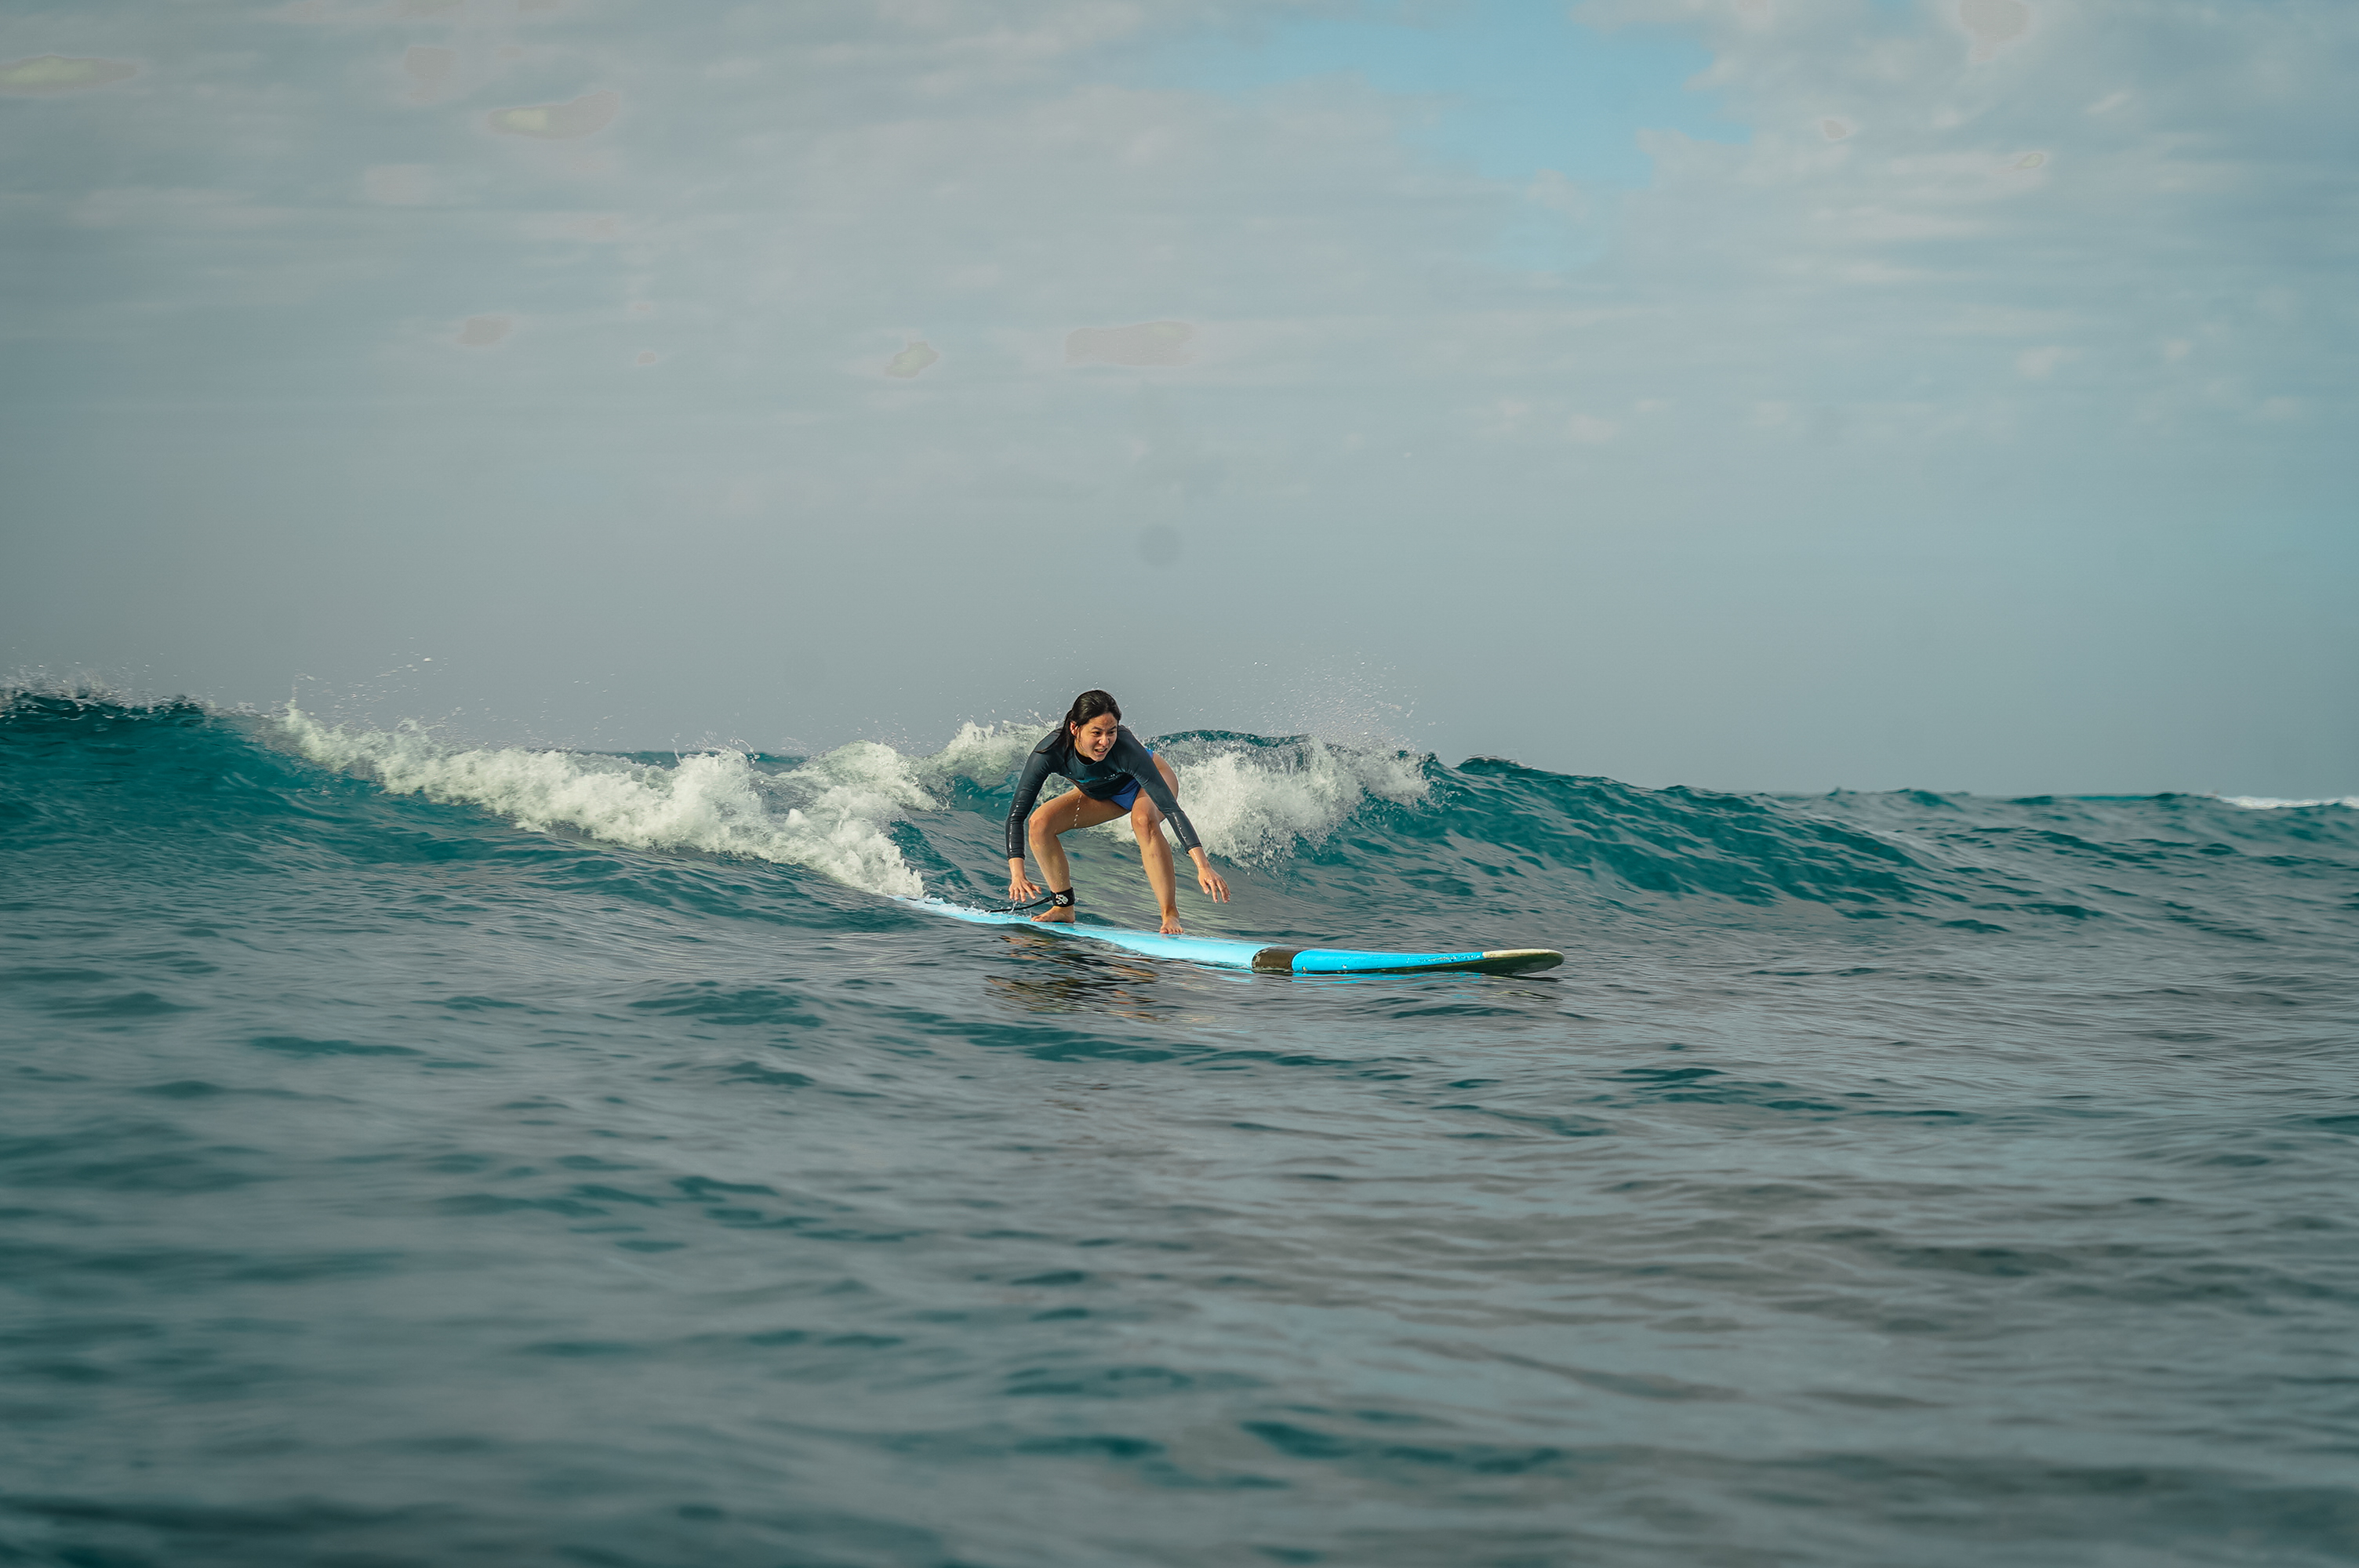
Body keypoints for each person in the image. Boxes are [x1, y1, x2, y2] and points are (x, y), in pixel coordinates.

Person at [1005, 690, 1229, 935]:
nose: (1105, 742)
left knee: (1143, 820)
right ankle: (1063, 907)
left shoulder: (1126, 748)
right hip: (1103, 794)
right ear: (1074, 728)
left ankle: (1170, 914)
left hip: (1149, 780)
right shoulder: (1050, 752)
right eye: (1097, 733)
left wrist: (1203, 865)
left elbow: (1169, 807)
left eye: (1111, 732)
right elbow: (1017, 815)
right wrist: (1018, 874)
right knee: (1040, 822)